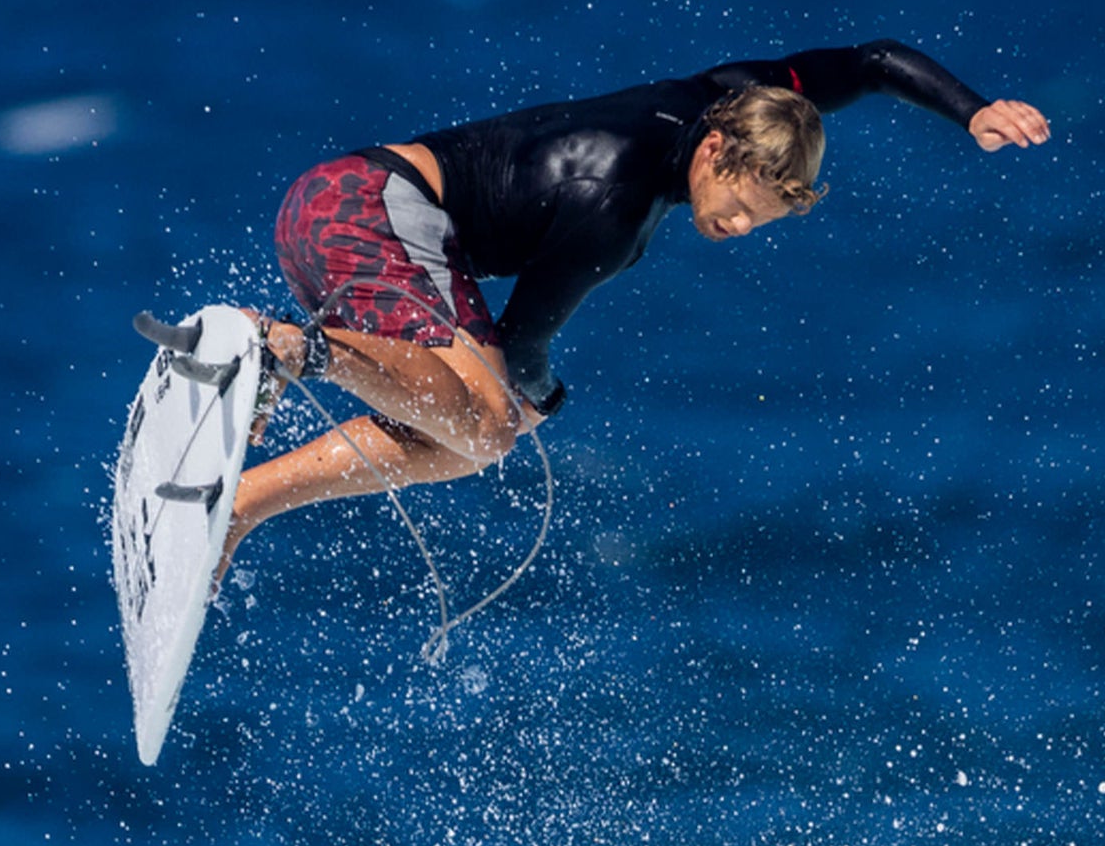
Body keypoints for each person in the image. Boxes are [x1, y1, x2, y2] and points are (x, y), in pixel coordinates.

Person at [218, 39, 1049, 579]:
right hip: (366, 212)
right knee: (485, 424)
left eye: (761, 220)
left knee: (473, 435)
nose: (736, 227)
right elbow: (525, 343)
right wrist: (539, 397)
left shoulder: (731, 99)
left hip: (336, 207)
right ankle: (292, 351)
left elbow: (867, 63)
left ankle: (241, 502)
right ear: (718, 151)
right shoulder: (611, 210)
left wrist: (971, 110)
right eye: (739, 203)